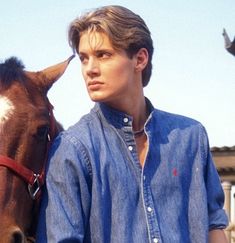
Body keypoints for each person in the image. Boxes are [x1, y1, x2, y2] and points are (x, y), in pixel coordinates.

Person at [36, 5, 228, 243]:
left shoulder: (190, 137)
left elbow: (213, 227)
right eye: (84, 59)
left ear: (140, 59)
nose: (90, 70)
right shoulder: (72, 149)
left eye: (103, 55)